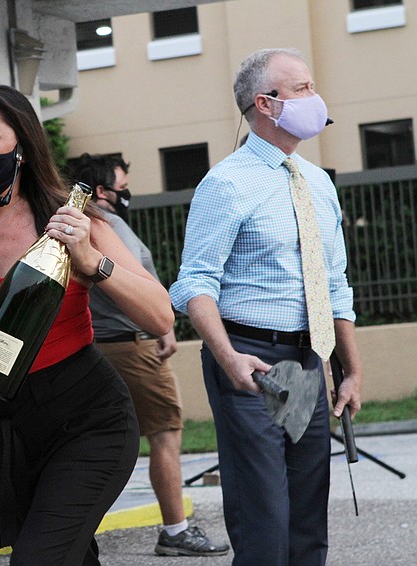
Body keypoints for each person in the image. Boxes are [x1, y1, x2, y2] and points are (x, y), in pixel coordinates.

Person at [0, 84, 174, 566]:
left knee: (39, 558)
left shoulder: (71, 220)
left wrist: (90, 259)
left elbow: (160, 315)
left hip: (86, 418)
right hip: (1, 427)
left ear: (21, 147)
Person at [169, 48, 363, 566]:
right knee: (265, 517)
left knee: (304, 516)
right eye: (301, 89)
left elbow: (334, 285)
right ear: (266, 104)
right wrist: (229, 357)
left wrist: (350, 370)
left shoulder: (318, 183)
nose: (314, 97)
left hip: (304, 363)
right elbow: (193, 284)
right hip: (251, 361)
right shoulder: (226, 183)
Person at [69, 153, 229, 558]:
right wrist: (161, 325)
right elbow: (132, 284)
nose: (126, 191)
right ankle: (175, 530)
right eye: (121, 184)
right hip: (130, 342)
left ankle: (74, 531)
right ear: (102, 191)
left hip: (107, 342)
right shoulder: (105, 225)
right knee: (165, 434)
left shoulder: (85, 223)